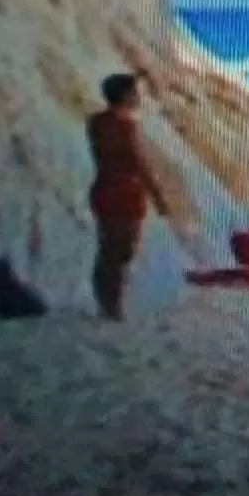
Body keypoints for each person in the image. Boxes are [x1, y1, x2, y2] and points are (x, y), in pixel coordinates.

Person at [85, 72, 171, 321]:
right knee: (120, 251)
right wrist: (158, 197)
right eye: (134, 93)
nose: (138, 97)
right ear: (124, 96)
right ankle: (111, 307)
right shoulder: (125, 128)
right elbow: (140, 165)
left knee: (109, 250)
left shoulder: (97, 122)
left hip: (105, 191)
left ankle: (107, 303)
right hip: (123, 196)